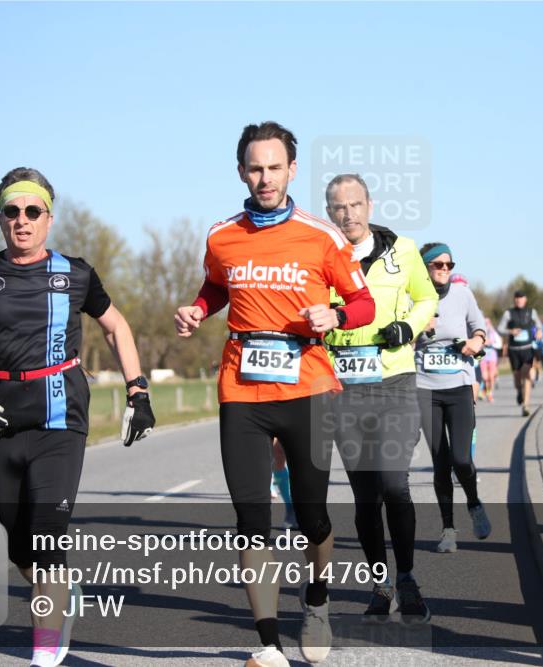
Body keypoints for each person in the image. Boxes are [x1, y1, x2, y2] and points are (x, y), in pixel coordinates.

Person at [175, 122, 376, 667]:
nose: (265, 177)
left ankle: (317, 596)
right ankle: (268, 644)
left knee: (312, 516)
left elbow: (363, 304)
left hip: (307, 386)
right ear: (242, 171)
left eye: (274, 167)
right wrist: (199, 308)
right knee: (251, 519)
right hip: (241, 388)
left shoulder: (322, 237)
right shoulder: (222, 235)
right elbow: (218, 284)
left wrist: (333, 314)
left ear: (292, 170)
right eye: (255, 168)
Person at [0, 167, 155, 667]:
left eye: (32, 211)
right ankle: (62, 589)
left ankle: (45, 647)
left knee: (47, 531)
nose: (22, 220)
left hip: (62, 417)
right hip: (2, 418)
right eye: (12, 212)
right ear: (0, 218)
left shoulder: (75, 272)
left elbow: (116, 327)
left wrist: (138, 390)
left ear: (48, 218)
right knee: (17, 534)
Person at [323, 173, 438, 623]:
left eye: (354, 204)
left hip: (394, 381)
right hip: (344, 388)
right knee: (366, 498)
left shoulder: (403, 250)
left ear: (370, 205)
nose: (347, 213)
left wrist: (408, 326)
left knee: (394, 482)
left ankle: (407, 577)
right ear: (329, 212)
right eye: (337, 206)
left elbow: (426, 297)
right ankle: (380, 585)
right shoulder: (322, 256)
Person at [415, 243, 491, 553]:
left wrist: (476, 340)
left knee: (462, 458)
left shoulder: (463, 294)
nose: (444, 269)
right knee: (441, 463)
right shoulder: (411, 298)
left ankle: (473, 503)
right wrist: (417, 326)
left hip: (458, 385)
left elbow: (480, 327)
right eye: (438, 265)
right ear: (425, 268)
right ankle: (448, 529)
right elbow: (398, 340)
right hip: (425, 388)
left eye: (449, 264)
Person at [498, 291, 541, 417]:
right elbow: (500, 329)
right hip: (514, 350)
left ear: (525, 299)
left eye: (521, 298)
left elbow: (539, 325)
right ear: (514, 300)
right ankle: (519, 391)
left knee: (527, 375)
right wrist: (510, 331)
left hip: (528, 348)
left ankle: (526, 405)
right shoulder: (508, 313)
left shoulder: (531, 312)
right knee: (517, 378)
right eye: (517, 299)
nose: (519, 301)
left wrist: (539, 332)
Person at [479, 317, 502, 402]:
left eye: (487, 323)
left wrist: (492, 343)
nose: (486, 324)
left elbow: (499, 344)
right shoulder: (479, 333)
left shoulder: (493, 333)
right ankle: (485, 390)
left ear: (490, 323)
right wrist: (483, 343)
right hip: (483, 356)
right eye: (484, 323)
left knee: (491, 377)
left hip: (492, 356)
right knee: (485, 377)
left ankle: (490, 393)